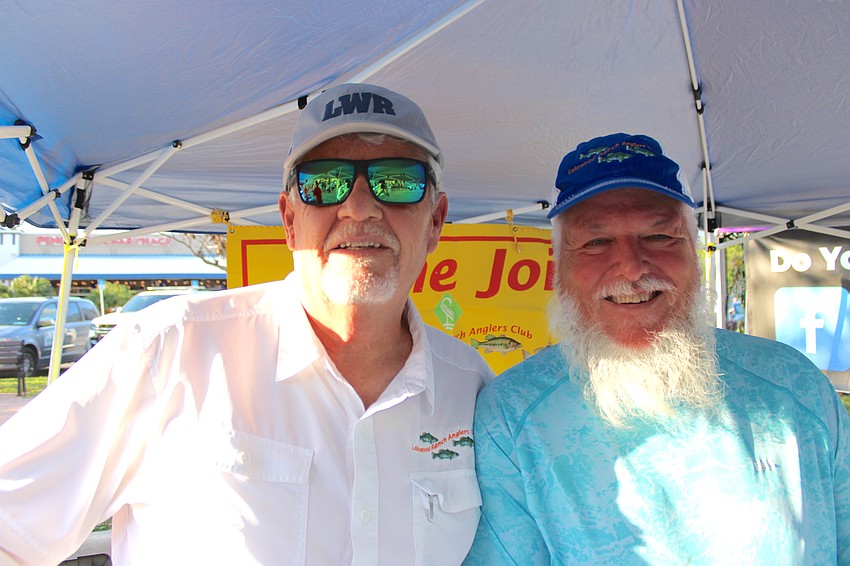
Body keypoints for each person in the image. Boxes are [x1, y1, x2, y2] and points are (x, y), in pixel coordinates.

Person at [0, 83, 493, 565]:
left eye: (397, 180)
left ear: (435, 221)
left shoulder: (472, 389)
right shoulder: (168, 352)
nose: (360, 207)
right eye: (323, 183)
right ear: (289, 219)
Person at [464, 133, 850, 564]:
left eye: (659, 235)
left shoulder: (791, 385)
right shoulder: (514, 417)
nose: (631, 266)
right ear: (560, 271)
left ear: (695, 253)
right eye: (596, 242)